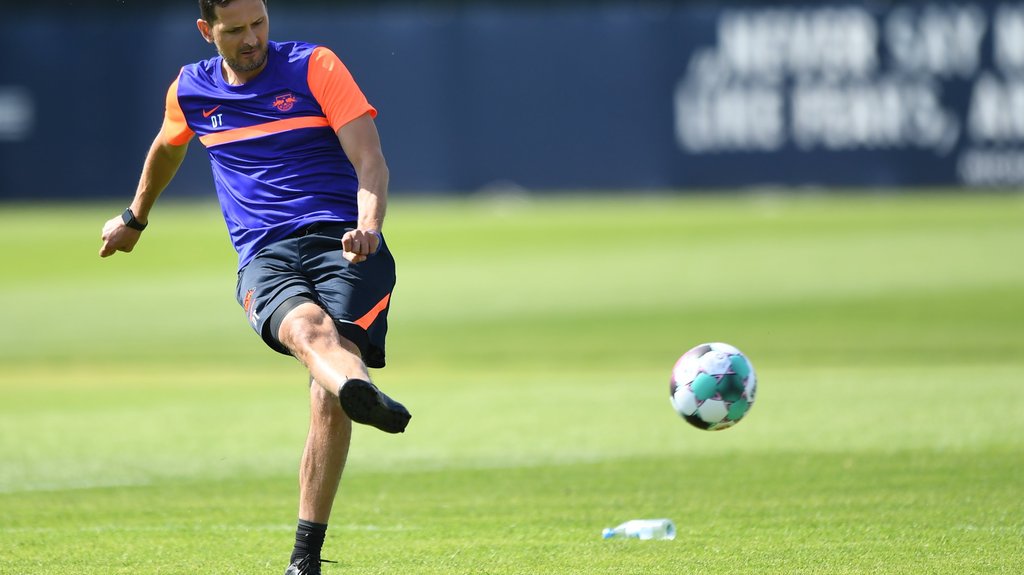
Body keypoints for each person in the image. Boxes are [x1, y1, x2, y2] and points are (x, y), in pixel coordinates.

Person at [98, 0, 411, 573]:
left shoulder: (317, 66)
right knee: (308, 334)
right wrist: (134, 218)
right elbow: (166, 150)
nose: (252, 39)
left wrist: (367, 227)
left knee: (325, 384)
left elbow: (370, 159)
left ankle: (304, 556)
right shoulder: (190, 90)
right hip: (263, 255)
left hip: (342, 241)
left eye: (259, 23)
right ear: (205, 30)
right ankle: (360, 392)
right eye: (236, 29)